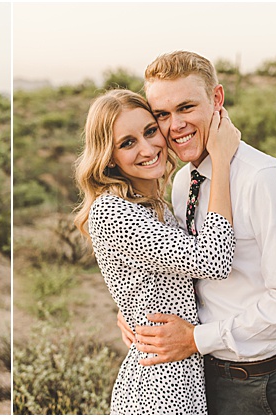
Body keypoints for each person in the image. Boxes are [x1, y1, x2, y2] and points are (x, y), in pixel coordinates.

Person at [123, 51, 276, 414]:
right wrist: (138, 313)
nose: (175, 125)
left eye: (186, 108)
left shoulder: (265, 181)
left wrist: (196, 339)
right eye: (162, 115)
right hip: (194, 377)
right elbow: (188, 268)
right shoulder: (183, 181)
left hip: (255, 383)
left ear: (217, 99)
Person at [74, 89, 240, 414]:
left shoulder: (157, 203)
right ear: (108, 156)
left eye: (151, 131)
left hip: (185, 376)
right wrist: (221, 160)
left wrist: (129, 311)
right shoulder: (112, 211)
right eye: (128, 142)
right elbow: (214, 260)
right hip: (160, 388)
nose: (148, 149)